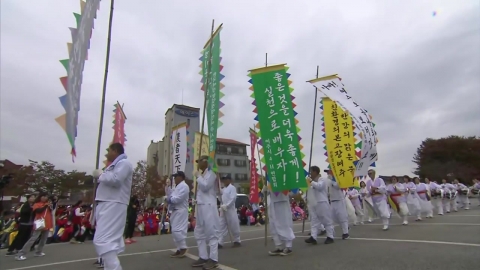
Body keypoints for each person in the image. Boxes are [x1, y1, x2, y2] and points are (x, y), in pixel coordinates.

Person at [92, 143, 133, 270]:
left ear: (115, 151)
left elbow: (116, 180)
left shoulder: (124, 163)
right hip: (107, 203)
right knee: (108, 241)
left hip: (114, 203)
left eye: (108, 150)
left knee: (102, 240)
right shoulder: (114, 165)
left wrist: (100, 175)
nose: (106, 153)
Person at [191, 155, 221, 269]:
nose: (198, 164)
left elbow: (205, 187)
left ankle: (213, 259)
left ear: (206, 162)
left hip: (209, 206)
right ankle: (203, 256)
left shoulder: (212, 174)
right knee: (199, 232)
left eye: (200, 162)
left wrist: (198, 176)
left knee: (211, 232)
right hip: (200, 206)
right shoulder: (203, 174)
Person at [15, 192, 53, 261]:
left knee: (44, 239)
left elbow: (50, 211)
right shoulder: (36, 204)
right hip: (39, 223)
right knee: (33, 238)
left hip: (47, 223)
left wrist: (49, 206)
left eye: (46, 196)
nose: (45, 198)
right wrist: (45, 206)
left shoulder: (48, 204)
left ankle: (39, 252)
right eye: (43, 196)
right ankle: (21, 253)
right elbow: (38, 211)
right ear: (40, 197)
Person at [263, 176, 295, 255]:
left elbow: (290, 191)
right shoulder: (271, 178)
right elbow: (269, 192)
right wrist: (265, 191)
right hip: (272, 203)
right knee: (273, 225)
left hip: (282, 202)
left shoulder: (284, 175)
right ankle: (278, 246)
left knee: (285, 224)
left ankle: (288, 246)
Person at [306, 166, 334, 244]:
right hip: (314, 203)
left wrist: (311, 181)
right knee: (314, 221)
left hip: (322, 202)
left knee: (326, 220)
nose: (310, 174)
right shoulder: (310, 181)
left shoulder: (322, 179)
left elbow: (320, 187)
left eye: (311, 172)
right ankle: (313, 237)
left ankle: (330, 236)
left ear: (315, 172)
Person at [166, 171, 190, 258]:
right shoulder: (177, 187)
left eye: (176, 177)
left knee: (177, 230)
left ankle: (183, 247)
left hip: (181, 210)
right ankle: (179, 248)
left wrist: (169, 199)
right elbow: (169, 194)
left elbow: (178, 199)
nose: (174, 179)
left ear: (181, 177)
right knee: (174, 231)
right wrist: (168, 186)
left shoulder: (184, 186)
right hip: (175, 210)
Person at [325, 169, 349, 239]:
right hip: (332, 201)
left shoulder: (338, 178)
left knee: (342, 216)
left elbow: (339, 186)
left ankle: (346, 233)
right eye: (327, 172)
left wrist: (331, 181)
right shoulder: (327, 180)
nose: (327, 173)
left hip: (339, 200)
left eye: (328, 171)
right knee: (333, 217)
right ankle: (345, 226)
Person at [218, 176, 241, 248]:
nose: (224, 181)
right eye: (223, 180)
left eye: (226, 180)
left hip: (230, 209)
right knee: (222, 225)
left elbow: (233, 198)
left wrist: (227, 206)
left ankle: (237, 240)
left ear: (229, 180)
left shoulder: (232, 188)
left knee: (233, 225)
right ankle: (220, 242)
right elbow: (220, 197)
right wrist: (219, 193)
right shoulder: (223, 189)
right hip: (223, 209)